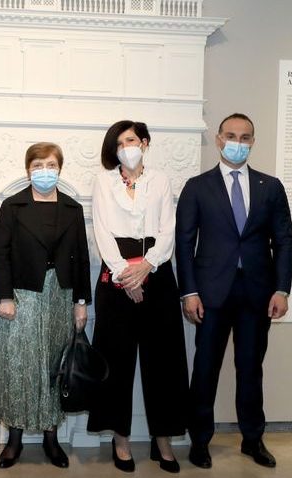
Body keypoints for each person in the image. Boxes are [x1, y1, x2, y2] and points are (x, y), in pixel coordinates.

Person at [176, 113, 292, 469]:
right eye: (231, 136)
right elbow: (184, 244)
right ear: (218, 139)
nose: (237, 143)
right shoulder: (197, 187)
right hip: (211, 294)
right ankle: (199, 441)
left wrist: (282, 289)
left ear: (252, 142)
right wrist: (189, 292)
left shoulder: (270, 187)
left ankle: (253, 439)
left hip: (257, 294)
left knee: (250, 368)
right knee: (205, 369)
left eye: (244, 137)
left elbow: (284, 241)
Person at [86, 121, 188, 473]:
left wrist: (147, 266)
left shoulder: (160, 180)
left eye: (130, 140)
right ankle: (121, 438)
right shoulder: (104, 181)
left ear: (144, 143)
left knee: (164, 360)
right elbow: (102, 230)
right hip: (117, 275)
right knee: (116, 360)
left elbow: (168, 229)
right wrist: (124, 275)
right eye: (118, 144)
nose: (125, 148)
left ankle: (164, 439)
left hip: (156, 270)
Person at [0, 142, 91, 470]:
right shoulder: (12, 206)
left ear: (59, 169)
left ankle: (51, 438)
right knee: (18, 365)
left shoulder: (73, 209)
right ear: (28, 170)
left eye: (50, 165)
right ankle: (14, 439)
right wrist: (3, 296)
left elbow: (82, 258)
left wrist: (81, 303)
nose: (44, 171)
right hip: (22, 295)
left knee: (53, 365)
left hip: (60, 295)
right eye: (37, 165)